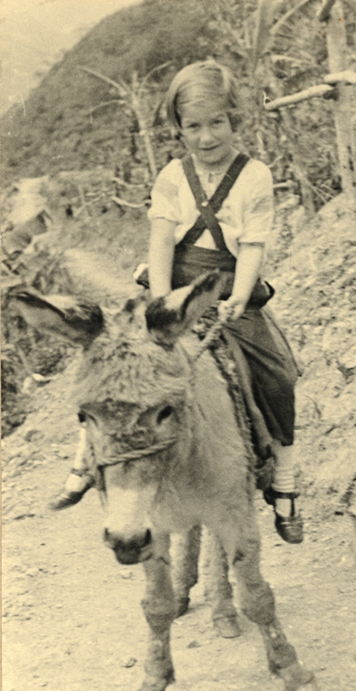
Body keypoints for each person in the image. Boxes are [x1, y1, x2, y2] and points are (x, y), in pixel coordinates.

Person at [58, 60, 303, 544]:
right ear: (179, 129)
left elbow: (253, 245)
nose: (207, 136)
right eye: (193, 126)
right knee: (116, 366)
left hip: (230, 284)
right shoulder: (172, 176)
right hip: (170, 289)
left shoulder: (254, 176)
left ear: (235, 120)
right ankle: (87, 453)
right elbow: (161, 240)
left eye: (217, 123)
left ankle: (286, 478)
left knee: (279, 373)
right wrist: (164, 302)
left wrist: (236, 298)